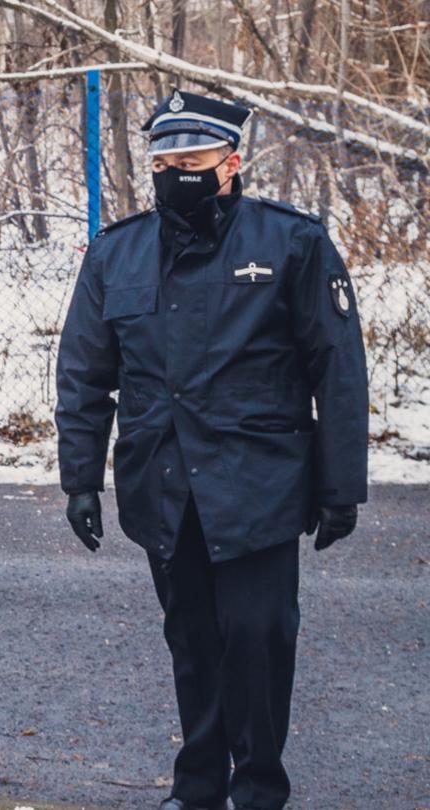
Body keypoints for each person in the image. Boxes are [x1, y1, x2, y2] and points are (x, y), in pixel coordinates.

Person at [55, 90, 368, 810]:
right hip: (163, 483)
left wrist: (340, 485)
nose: (175, 174)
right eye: (164, 162)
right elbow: (84, 374)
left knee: (258, 639)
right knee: (192, 643)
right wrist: (80, 478)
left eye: (192, 161)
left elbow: (337, 369)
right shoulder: (117, 254)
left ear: (231, 163)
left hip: (258, 481)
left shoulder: (290, 243)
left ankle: (258, 788)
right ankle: (197, 787)